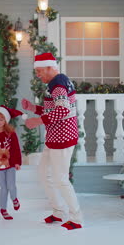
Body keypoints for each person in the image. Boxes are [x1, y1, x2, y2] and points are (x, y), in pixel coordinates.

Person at [22, 52, 83, 230]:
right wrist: (34, 108)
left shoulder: (58, 84)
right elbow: (54, 109)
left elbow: (62, 111)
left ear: (50, 67)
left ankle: (76, 218)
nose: (38, 75)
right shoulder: (55, 83)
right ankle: (59, 212)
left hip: (63, 138)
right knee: (44, 174)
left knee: (61, 179)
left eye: (40, 71)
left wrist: (37, 121)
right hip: (54, 138)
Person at [0, 106, 25, 220]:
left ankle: (14, 199)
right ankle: (3, 209)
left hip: (11, 163)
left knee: (11, 185)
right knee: (3, 187)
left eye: (1, 119)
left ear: (5, 121)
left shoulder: (11, 133)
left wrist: (18, 162)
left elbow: (16, 148)